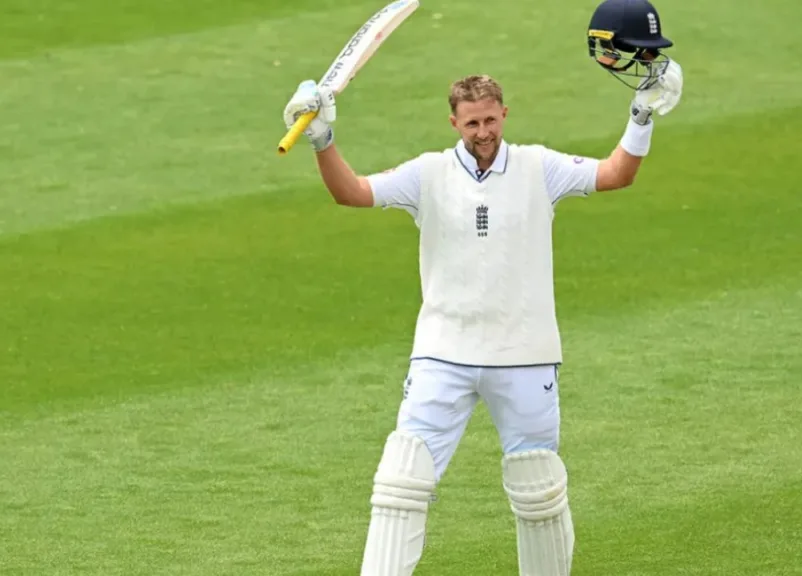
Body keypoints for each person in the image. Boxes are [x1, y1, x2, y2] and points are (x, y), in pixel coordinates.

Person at [281, 1, 682, 573]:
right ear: (454, 123)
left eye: (491, 120)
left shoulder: (541, 167)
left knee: (538, 490)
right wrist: (322, 138)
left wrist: (641, 116)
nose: (483, 132)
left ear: (504, 114)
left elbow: (617, 173)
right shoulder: (427, 174)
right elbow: (352, 193)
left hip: (525, 355)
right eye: (472, 124)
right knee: (400, 483)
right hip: (443, 353)